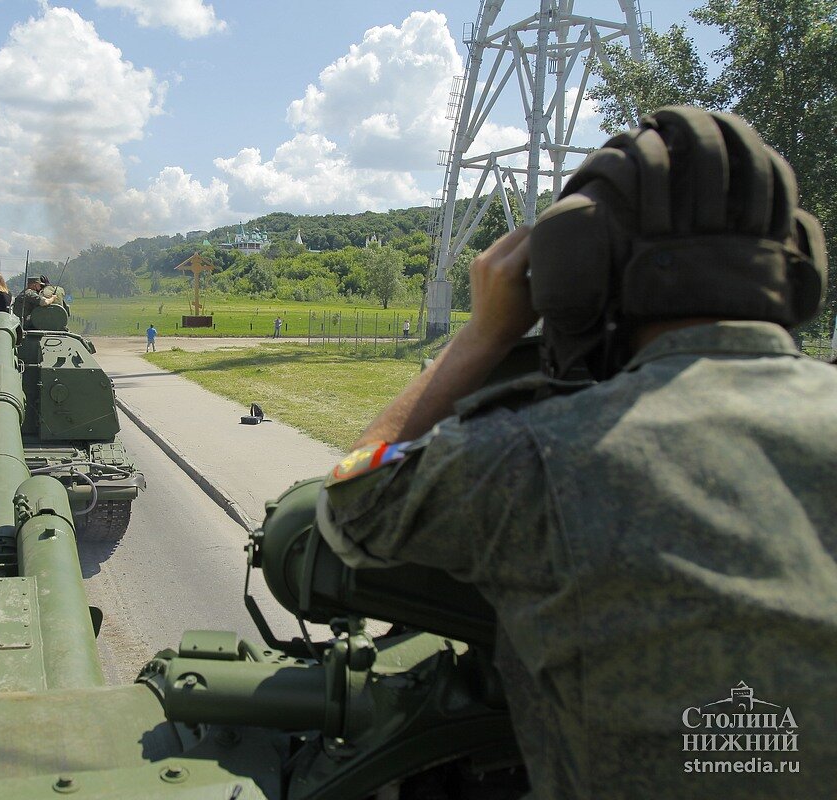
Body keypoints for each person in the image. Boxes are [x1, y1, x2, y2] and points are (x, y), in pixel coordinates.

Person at [316, 107, 834, 797]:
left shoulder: (538, 455)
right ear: (796, 263)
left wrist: (481, 338)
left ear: (574, 270)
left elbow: (353, 501)